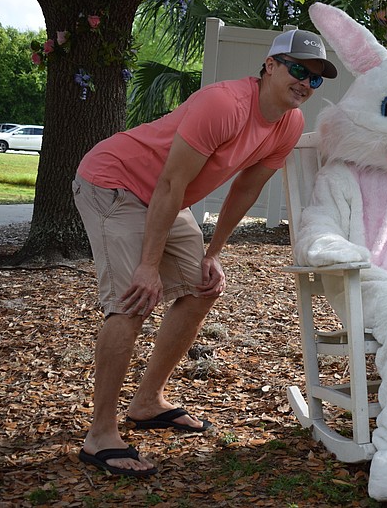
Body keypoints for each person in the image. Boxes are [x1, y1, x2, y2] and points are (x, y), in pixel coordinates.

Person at [73, 29, 337, 476]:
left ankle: (147, 401)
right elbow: (171, 183)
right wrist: (148, 265)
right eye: (297, 70)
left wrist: (213, 251)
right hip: (116, 183)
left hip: (164, 198)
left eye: (315, 79)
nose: (305, 83)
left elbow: (246, 189)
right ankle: (100, 433)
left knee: (202, 286)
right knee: (132, 301)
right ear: (270, 65)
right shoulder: (223, 104)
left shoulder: (288, 123)